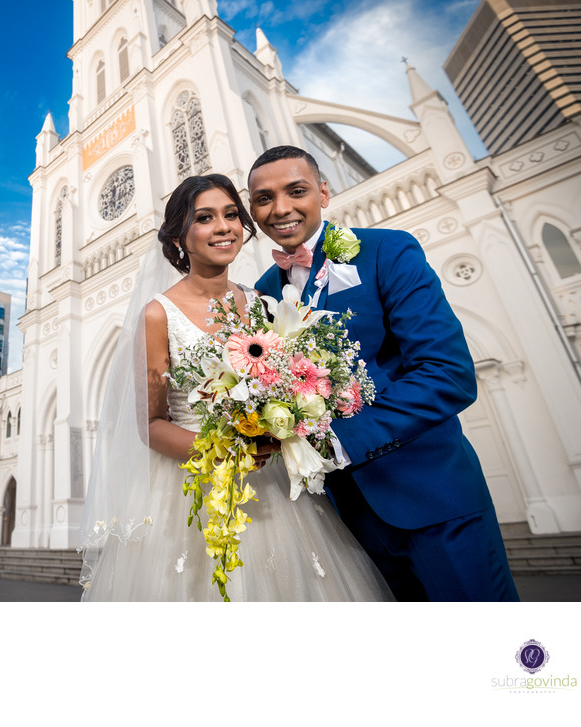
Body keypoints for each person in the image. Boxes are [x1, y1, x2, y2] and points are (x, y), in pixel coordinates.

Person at [78, 172, 393, 601]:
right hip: (197, 487)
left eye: (231, 215)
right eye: (205, 217)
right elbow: (150, 424)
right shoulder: (158, 315)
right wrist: (227, 451)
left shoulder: (263, 302)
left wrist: (291, 416)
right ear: (178, 237)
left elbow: (285, 379)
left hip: (274, 484)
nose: (224, 226)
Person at [247, 145, 519, 602]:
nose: (281, 209)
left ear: (324, 192)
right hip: (342, 521)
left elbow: (447, 373)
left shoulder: (387, 251)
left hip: (431, 496)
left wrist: (341, 442)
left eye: (296, 191)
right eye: (263, 198)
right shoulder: (263, 291)